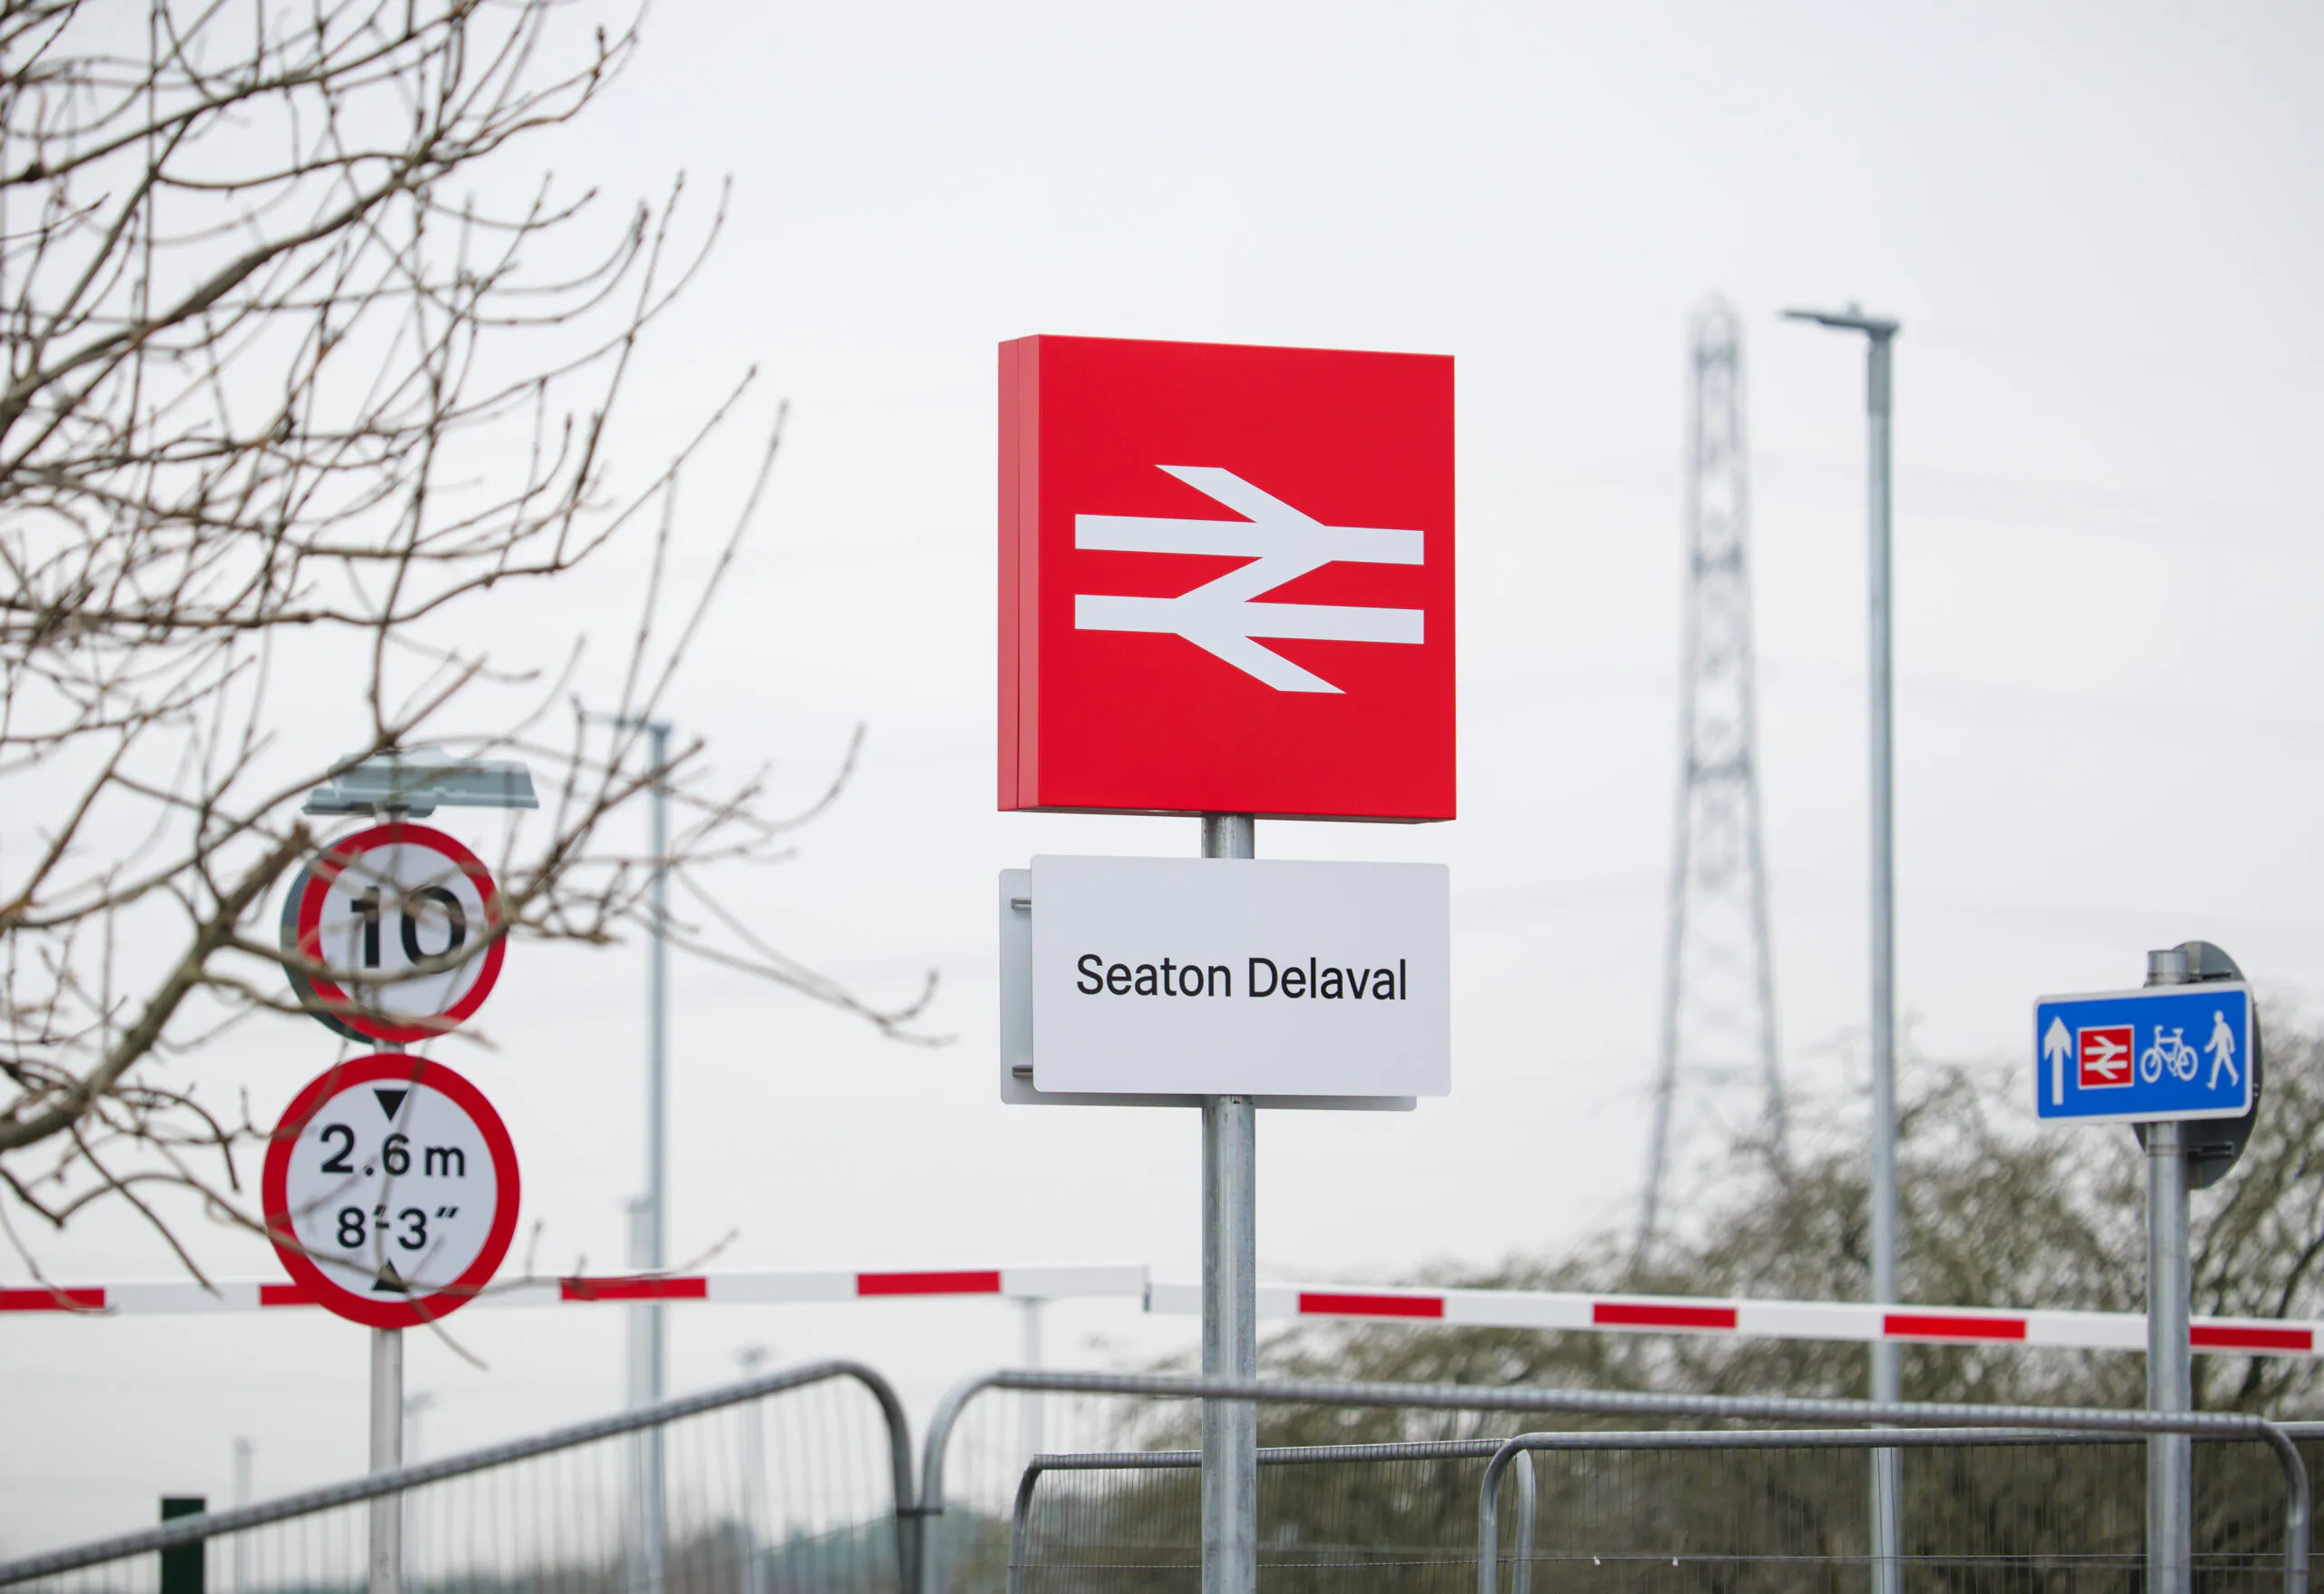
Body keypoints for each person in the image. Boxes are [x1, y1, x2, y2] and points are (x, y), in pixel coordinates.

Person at [2206, 1009, 2240, 1091]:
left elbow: (2230, 1037)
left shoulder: (2225, 1026)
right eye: (2216, 1017)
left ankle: (2234, 1077)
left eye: (2218, 1017)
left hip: (2224, 1050)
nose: (2216, 1019)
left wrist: (2232, 1047)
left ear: (2221, 1017)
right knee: (2220, 1065)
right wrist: (2208, 1048)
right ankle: (2214, 1083)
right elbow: (2214, 1041)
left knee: (2221, 1065)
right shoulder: (2217, 1028)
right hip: (2220, 1050)